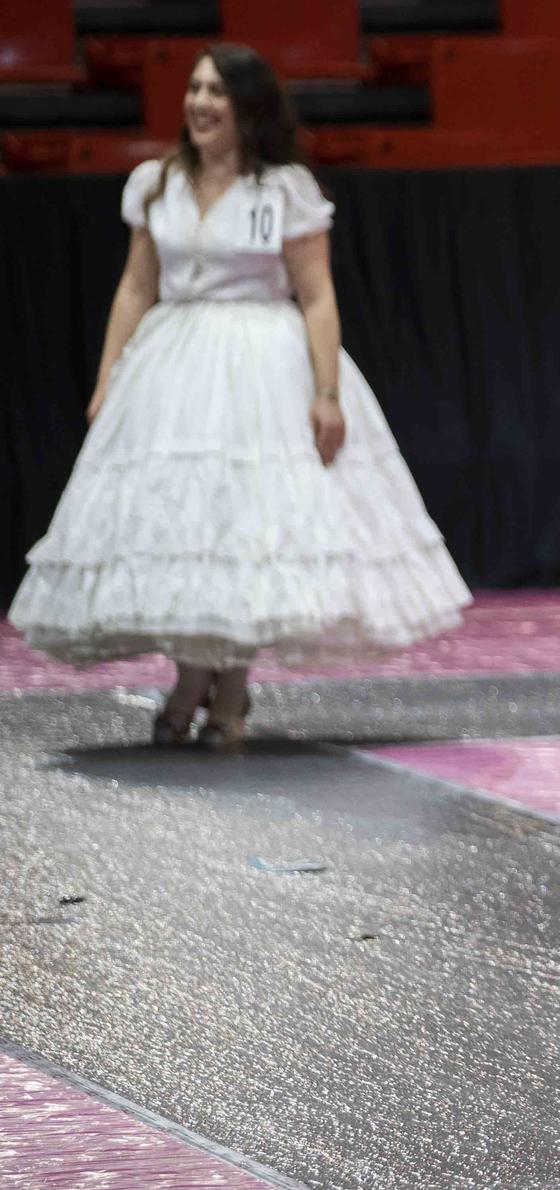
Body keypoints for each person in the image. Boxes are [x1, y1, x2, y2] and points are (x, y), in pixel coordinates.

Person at [6, 45, 469, 749]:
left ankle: (227, 689)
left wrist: (326, 391)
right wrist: (109, 377)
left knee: (245, 526)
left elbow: (316, 296)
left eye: (215, 91)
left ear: (247, 106)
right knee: (187, 526)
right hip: (174, 365)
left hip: (262, 366)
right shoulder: (156, 183)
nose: (199, 102)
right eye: (193, 88)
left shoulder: (282, 188)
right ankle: (196, 682)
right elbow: (136, 286)